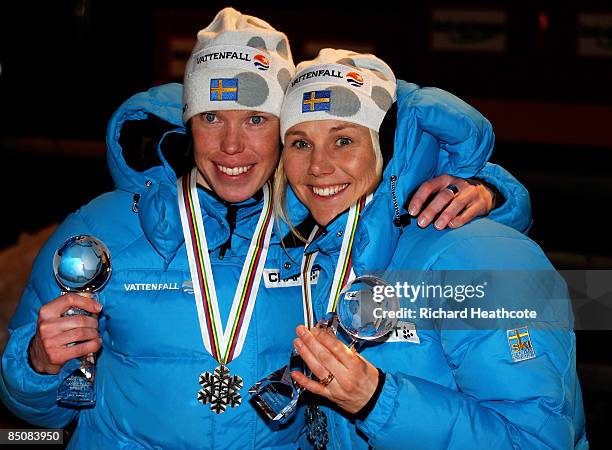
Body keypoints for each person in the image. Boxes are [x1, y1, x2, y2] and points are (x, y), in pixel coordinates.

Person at [1, 8, 530, 450]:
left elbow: (401, 175)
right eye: (212, 117)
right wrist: (37, 365)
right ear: (187, 122)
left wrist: (490, 189)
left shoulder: (320, 218)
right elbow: (35, 414)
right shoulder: (102, 226)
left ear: (287, 126)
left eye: (256, 119)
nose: (232, 146)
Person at [275, 49, 588, 449]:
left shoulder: (481, 259)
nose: (319, 165)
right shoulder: (318, 250)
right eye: (301, 143)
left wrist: (377, 400)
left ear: (384, 150)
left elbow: (537, 441)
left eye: (343, 140)